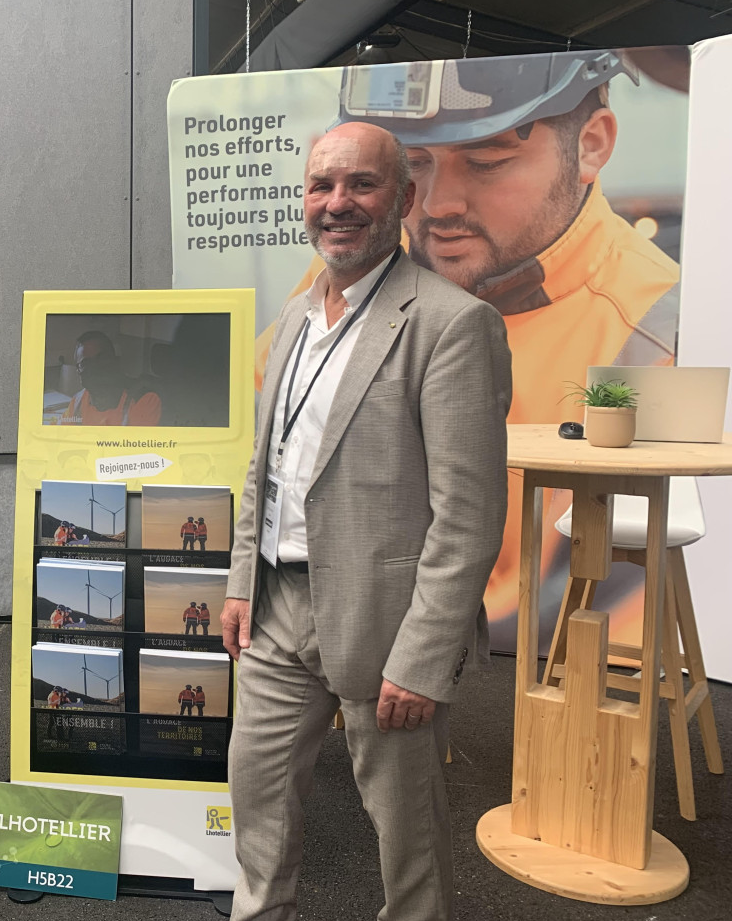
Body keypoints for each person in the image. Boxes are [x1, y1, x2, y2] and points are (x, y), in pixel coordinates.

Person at [216, 122, 510, 921]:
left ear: (403, 200)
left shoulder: (453, 325)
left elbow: (468, 518)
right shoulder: (300, 314)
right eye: (321, 186)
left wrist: (422, 657)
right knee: (258, 797)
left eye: (361, 185)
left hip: (387, 621)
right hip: (277, 606)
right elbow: (265, 464)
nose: (337, 203)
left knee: (404, 827)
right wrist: (242, 580)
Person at [257, 50, 677, 630]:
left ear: (590, 145)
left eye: (485, 162)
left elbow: (608, 601)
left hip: (482, 664)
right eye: (415, 165)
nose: (435, 205)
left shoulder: (654, 336)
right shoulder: (361, 269)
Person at [62, 329, 162, 426]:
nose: (96, 368)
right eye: (86, 363)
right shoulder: (77, 401)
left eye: (102, 358)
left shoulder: (144, 400)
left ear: (115, 361)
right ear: (78, 371)